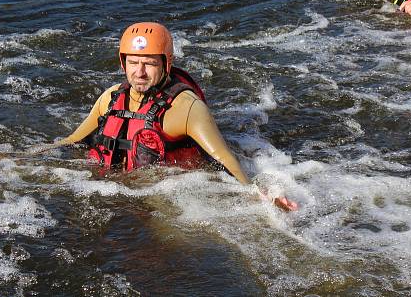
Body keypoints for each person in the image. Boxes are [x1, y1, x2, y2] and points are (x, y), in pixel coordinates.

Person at [42, 22, 298, 212]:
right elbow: (72, 141)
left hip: (170, 195)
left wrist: (260, 194)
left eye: (149, 64)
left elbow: (224, 159)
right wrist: (16, 158)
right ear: (123, 63)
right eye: (133, 63)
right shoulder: (110, 98)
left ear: (167, 63)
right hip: (112, 189)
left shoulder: (186, 107)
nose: (139, 73)